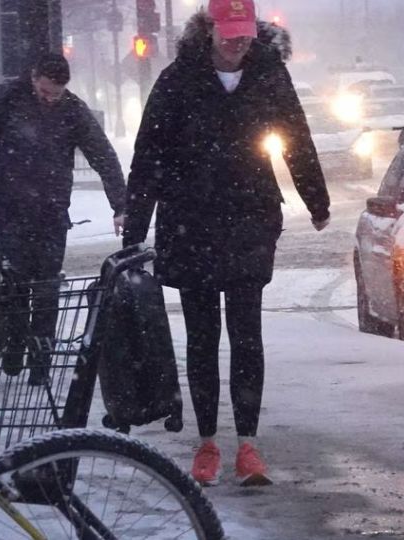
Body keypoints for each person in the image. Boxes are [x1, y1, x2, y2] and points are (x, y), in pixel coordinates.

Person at [122, 0, 330, 487]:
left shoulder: (269, 75)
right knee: (201, 336)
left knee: (246, 333)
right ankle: (208, 442)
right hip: (189, 222)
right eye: (229, 33)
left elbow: (297, 137)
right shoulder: (177, 79)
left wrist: (316, 201)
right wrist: (135, 228)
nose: (238, 43)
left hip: (249, 218)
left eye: (245, 34)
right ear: (210, 30)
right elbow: (148, 154)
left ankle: (249, 445)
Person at [0, 53, 127, 384]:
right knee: (14, 280)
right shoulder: (7, 97)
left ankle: (40, 362)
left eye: (56, 94)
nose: (50, 99)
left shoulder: (72, 110)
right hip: (8, 205)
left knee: (46, 286)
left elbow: (102, 154)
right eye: (45, 92)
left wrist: (120, 204)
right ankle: (15, 343)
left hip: (50, 208)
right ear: (33, 78)